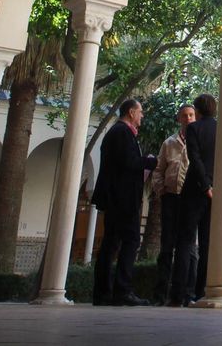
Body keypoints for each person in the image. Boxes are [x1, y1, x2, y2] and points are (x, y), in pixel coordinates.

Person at [92, 98, 155, 306]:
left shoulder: (118, 132)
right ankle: (122, 290)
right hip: (122, 199)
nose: (142, 116)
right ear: (130, 112)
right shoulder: (122, 133)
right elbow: (128, 165)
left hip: (117, 198)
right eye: (140, 111)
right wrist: (149, 161)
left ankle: (104, 293)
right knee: (129, 241)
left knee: (112, 243)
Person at [150, 102, 194, 306]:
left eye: (191, 115)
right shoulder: (169, 143)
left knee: (189, 249)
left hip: (189, 200)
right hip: (171, 198)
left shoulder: (198, 142)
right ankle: (160, 295)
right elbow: (159, 169)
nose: (188, 119)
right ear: (179, 119)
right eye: (184, 115)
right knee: (167, 247)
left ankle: (186, 293)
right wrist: (161, 191)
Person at [175, 92, 217, 303]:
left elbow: (195, 158)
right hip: (214, 193)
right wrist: (212, 186)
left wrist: (204, 184)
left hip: (195, 190)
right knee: (207, 243)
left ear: (198, 111)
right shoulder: (221, 129)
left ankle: (179, 294)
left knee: (185, 241)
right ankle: (201, 292)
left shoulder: (193, 128)